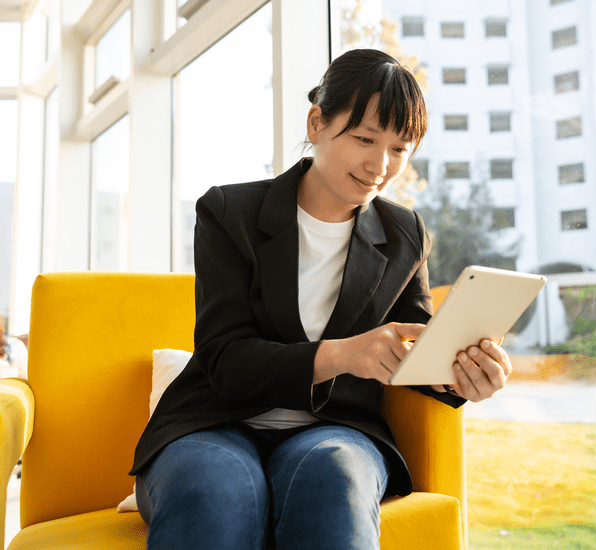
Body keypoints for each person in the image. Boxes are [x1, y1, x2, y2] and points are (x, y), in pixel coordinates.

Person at [130, 48, 513, 550]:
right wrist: (346, 353)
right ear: (317, 123)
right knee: (213, 490)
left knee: (333, 480)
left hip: (336, 430)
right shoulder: (229, 211)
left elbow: (412, 349)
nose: (381, 165)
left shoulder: (404, 233)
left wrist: (462, 374)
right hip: (215, 421)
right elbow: (225, 359)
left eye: (400, 148)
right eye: (364, 139)